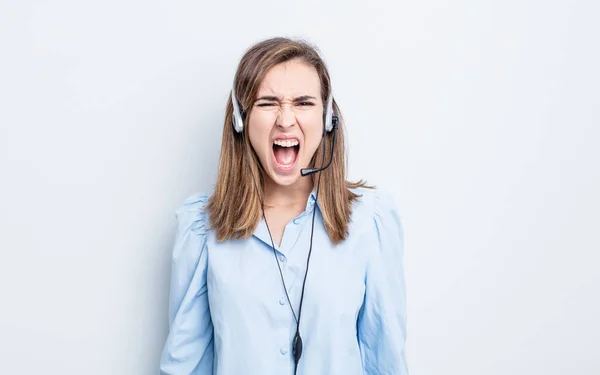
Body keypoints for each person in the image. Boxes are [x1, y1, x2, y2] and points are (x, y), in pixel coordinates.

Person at [159, 37, 408, 375]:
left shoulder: (369, 221)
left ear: (327, 119)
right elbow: (185, 366)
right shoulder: (202, 228)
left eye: (303, 103)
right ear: (240, 120)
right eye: (267, 103)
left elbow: (387, 361)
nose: (286, 120)